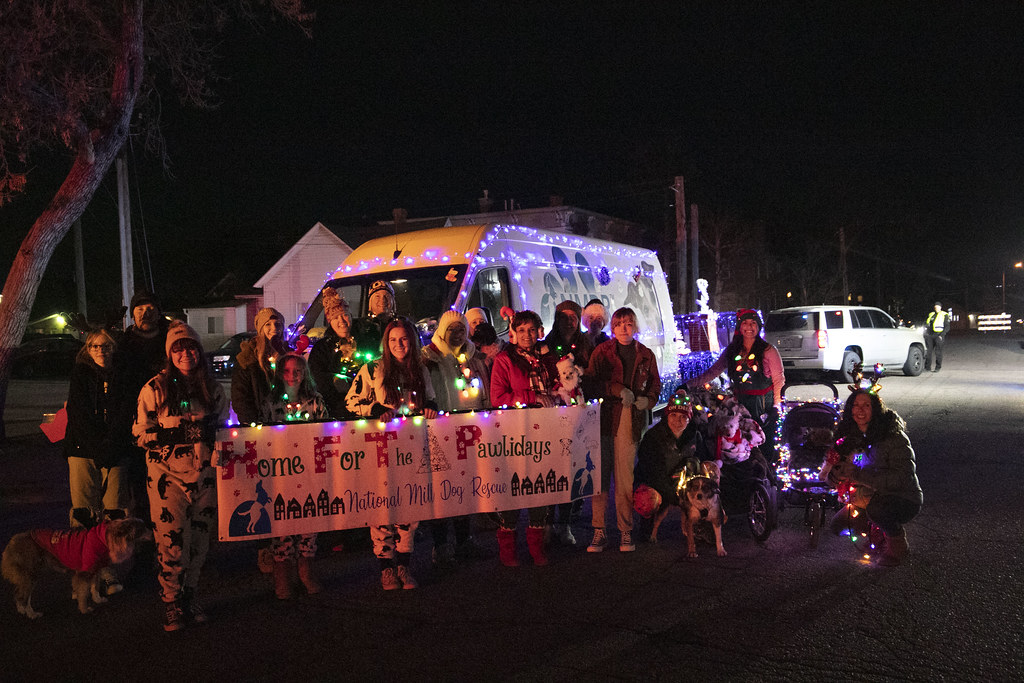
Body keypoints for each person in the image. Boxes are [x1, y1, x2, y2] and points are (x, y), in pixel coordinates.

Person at [134, 321, 227, 631]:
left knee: (199, 541)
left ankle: (190, 594)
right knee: (171, 541)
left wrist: (217, 442)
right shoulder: (154, 389)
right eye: (178, 349)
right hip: (167, 477)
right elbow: (140, 432)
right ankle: (171, 600)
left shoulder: (212, 389)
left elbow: (225, 428)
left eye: (191, 348)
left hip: (204, 476)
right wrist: (171, 435)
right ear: (170, 354)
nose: (186, 354)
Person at [346, 317, 438, 590]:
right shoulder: (373, 369)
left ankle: (404, 566)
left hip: (411, 447)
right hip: (381, 449)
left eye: (404, 339)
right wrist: (374, 409)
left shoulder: (420, 370)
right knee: (382, 507)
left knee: (409, 506)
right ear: (386, 343)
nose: (399, 344)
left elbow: (431, 398)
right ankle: (385, 567)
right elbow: (351, 401)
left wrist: (430, 407)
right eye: (393, 340)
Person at [585, 306, 662, 553]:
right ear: (612, 327)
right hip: (603, 418)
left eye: (628, 323)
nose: (624, 329)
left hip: (630, 418)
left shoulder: (646, 355)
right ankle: (599, 530)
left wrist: (647, 401)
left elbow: (655, 386)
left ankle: (625, 530)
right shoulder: (602, 352)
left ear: (635, 326)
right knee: (599, 477)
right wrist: (615, 389)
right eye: (619, 324)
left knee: (625, 479)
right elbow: (589, 383)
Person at [421, 310, 491, 566]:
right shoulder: (429, 357)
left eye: (462, 329)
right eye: (452, 329)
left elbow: (484, 389)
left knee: (464, 485)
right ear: (442, 330)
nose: (458, 334)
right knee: (441, 489)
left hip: (468, 430)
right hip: (439, 428)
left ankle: (464, 539)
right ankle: (441, 544)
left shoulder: (472, 356)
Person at [826, 388, 922, 566]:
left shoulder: (893, 437)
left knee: (878, 510)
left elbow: (901, 479)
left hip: (902, 497)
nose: (860, 410)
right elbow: (835, 468)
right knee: (838, 526)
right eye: (855, 405)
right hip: (865, 498)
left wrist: (857, 475)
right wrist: (835, 477)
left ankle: (898, 547)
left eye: (866, 405)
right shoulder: (850, 437)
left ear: (876, 409)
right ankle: (877, 533)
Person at [489, 310, 555, 567]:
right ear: (514, 333)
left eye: (532, 329)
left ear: (539, 331)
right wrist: (532, 398)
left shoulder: (547, 356)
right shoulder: (504, 360)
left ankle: (537, 547)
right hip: (515, 432)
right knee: (514, 488)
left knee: (540, 487)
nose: (527, 335)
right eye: (522, 330)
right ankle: (508, 549)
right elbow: (498, 398)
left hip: (545, 430)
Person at [262, 353, 330, 598]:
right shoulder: (270, 402)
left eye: (298, 371)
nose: (293, 376)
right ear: (280, 374)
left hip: (309, 472)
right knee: (282, 525)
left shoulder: (315, 401)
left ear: (305, 374)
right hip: (281, 474)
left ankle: (306, 573)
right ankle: (282, 577)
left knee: (308, 524)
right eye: (288, 371)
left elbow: (326, 431)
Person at [689, 308, 784, 461]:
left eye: (753, 323)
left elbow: (779, 380)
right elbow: (713, 371)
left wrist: (776, 406)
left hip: (762, 405)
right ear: (740, 326)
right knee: (740, 443)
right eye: (745, 323)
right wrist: (688, 385)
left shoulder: (768, 351)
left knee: (762, 444)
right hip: (739, 405)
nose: (749, 327)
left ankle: (764, 472)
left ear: (758, 326)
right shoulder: (732, 350)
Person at [113, 290, 170, 523]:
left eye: (150, 309)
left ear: (158, 313)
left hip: (167, 419)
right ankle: (142, 531)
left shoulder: (170, 341)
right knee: (138, 482)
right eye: (140, 309)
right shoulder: (123, 345)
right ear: (133, 314)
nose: (145, 314)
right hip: (133, 421)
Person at [65, 329, 131, 528]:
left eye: (106, 346)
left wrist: (112, 444)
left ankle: (112, 546)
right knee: (84, 510)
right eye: (95, 346)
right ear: (88, 349)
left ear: (114, 348)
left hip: (115, 448)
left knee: (115, 509)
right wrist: (96, 447)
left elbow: (125, 412)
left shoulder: (123, 375)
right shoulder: (80, 374)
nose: (100, 350)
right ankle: (84, 545)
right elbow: (77, 414)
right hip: (82, 448)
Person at [633, 388, 710, 542]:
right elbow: (652, 474)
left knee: (711, 470)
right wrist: (676, 497)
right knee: (648, 498)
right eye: (673, 415)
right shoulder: (653, 437)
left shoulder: (694, 435)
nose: (677, 421)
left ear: (689, 419)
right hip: (657, 483)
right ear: (667, 416)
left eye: (683, 417)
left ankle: (701, 524)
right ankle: (647, 527)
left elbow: (704, 460)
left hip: (684, 482)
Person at [307, 287, 359, 419]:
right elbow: (316, 378)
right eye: (335, 317)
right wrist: (336, 380)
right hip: (334, 412)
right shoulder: (321, 348)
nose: (341, 321)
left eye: (344, 315)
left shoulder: (364, 342)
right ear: (330, 321)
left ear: (350, 316)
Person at [232, 307, 287, 425]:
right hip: (259, 425)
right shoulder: (247, 359)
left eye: (277, 324)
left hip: (287, 423)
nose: (274, 328)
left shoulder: (287, 355)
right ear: (261, 328)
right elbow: (240, 398)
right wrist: (253, 423)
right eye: (268, 324)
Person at [351, 279, 398, 358]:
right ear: (370, 302)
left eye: (387, 296)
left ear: (393, 301)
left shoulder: (402, 325)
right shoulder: (358, 326)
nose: (383, 300)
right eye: (377, 296)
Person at [544, 300, 594, 371]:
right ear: (557, 321)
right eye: (564, 317)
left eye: (572, 317)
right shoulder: (547, 346)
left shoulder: (587, 345)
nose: (568, 321)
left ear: (578, 321)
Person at [923, 301, 950, 372]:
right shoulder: (931, 314)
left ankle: (938, 367)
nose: (936, 308)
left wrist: (942, 335)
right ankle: (927, 368)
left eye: (938, 307)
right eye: (935, 307)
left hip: (939, 335)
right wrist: (926, 333)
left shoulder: (944, 315)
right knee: (928, 352)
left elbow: (947, 327)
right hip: (930, 335)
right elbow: (927, 324)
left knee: (938, 352)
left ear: (940, 307)